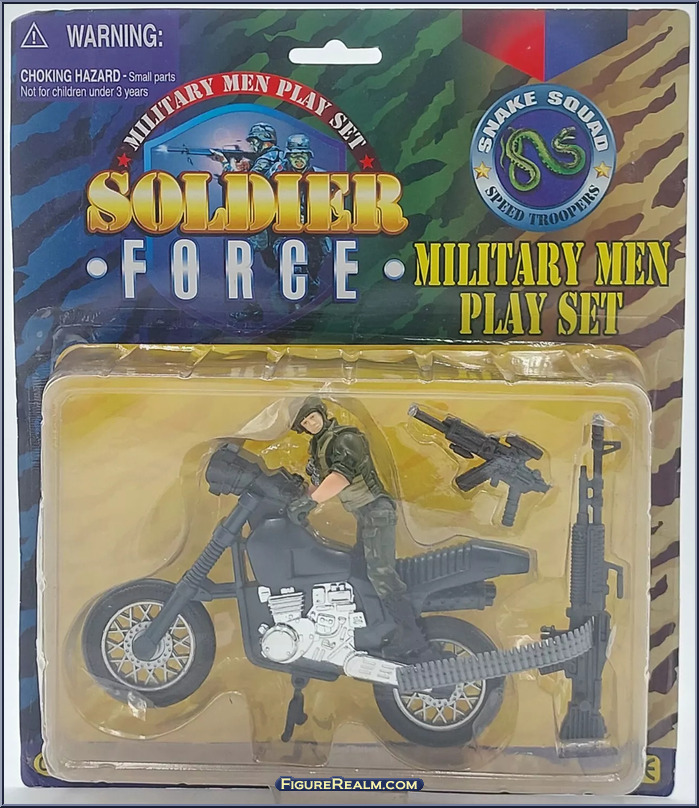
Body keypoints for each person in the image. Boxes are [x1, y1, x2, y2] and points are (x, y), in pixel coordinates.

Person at [287, 397, 431, 660]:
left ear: (322, 413)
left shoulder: (346, 439)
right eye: (305, 422)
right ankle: (376, 622)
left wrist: (310, 502)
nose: (311, 423)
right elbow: (320, 483)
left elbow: (340, 478)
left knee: (380, 572)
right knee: (357, 567)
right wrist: (297, 493)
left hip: (376, 511)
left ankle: (411, 633)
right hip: (363, 514)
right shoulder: (319, 445)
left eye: (312, 417)